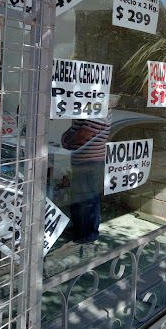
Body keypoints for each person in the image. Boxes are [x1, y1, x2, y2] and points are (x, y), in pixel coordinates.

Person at [61, 96, 118, 243]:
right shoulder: (90, 107)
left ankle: (89, 233)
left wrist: (68, 142)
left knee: (88, 197)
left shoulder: (99, 108)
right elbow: (74, 130)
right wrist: (68, 140)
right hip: (82, 161)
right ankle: (79, 229)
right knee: (79, 196)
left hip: (90, 162)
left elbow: (83, 134)